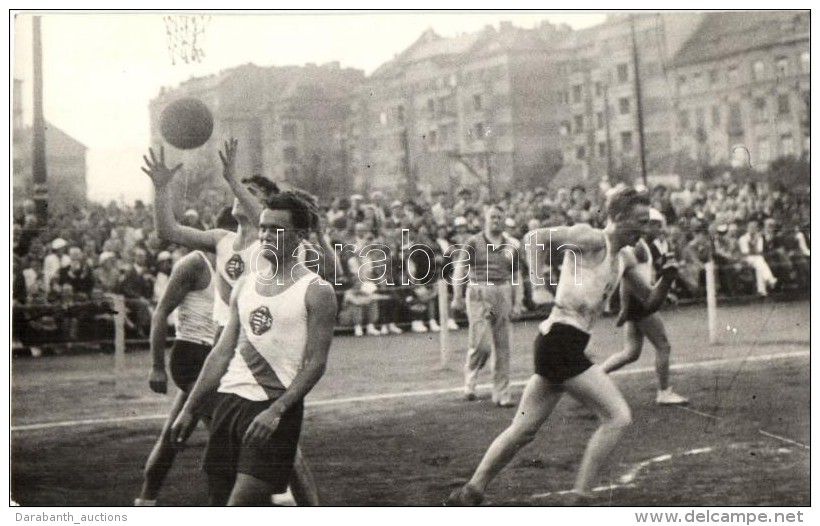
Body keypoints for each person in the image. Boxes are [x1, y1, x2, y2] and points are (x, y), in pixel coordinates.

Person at [445, 186, 678, 506]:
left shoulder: (624, 257)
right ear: (619, 217)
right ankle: (579, 499)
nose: (645, 228)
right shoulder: (593, 239)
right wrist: (538, 287)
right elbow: (534, 239)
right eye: (640, 220)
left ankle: (470, 492)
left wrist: (667, 277)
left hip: (560, 343)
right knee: (618, 417)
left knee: (523, 430)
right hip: (560, 340)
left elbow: (649, 302)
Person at [142, 141, 321, 506]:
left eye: (251, 193)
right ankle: (146, 501)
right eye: (239, 190)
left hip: (257, 353)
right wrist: (162, 189)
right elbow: (168, 230)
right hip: (219, 352)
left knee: (285, 451)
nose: (239, 196)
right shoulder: (222, 241)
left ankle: (302, 506)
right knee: (176, 432)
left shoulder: (269, 245)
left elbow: (264, 219)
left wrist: (234, 181)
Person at [169, 192, 337, 506]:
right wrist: (190, 409)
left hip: (273, 407)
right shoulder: (245, 285)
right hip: (229, 405)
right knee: (220, 504)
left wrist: (277, 411)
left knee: (240, 507)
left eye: (277, 229)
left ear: (300, 235)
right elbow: (220, 353)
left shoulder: (316, 291)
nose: (266, 236)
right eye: (263, 228)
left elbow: (315, 364)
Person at [135, 249, 219, 506]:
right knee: (226, 432)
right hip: (192, 357)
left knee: (173, 435)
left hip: (213, 359)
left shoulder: (240, 261)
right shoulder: (196, 262)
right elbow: (160, 312)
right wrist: (157, 366)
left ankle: (146, 501)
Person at [600, 211, 688, 405]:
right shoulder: (639, 247)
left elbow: (638, 277)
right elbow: (627, 278)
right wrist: (625, 307)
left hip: (638, 301)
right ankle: (664, 391)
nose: (658, 229)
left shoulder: (644, 246)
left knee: (631, 352)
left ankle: (596, 376)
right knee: (663, 345)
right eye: (653, 225)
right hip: (640, 302)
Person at [450, 205, 533, 408]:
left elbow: (516, 277)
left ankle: (502, 393)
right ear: (485, 220)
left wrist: (518, 301)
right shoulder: (473, 242)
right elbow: (461, 269)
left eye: (499, 217)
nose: (496, 221)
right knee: (482, 344)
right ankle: (470, 380)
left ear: (503, 221)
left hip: (502, 292)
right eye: (492, 217)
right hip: (479, 291)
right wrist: (457, 296)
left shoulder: (510, 245)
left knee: (503, 345)